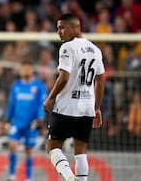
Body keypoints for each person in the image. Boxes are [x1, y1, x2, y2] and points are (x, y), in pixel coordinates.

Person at [43, 13, 105, 181]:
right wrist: (97, 108)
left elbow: (64, 77)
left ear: (75, 28)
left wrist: (49, 98)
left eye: (63, 27)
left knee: (52, 147)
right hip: (87, 108)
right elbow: (100, 81)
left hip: (66, 106)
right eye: (58, 28)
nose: (59, 32)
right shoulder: (96, 50)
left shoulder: (68, 47)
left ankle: (70, 178)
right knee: (81, 151)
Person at [5, 59, 47, 181]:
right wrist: (7, 120)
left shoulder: (39, 86)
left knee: (28, 150)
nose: (24, 70)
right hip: (17, 122)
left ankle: (28, 178)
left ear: (32, 69)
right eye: (23, 68)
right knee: (12, 144)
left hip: (32, 123)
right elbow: (11, 103)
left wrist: (40, 118)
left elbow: (42, 104)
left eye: (27, 68)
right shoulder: (16, 86)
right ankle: (12, 176)